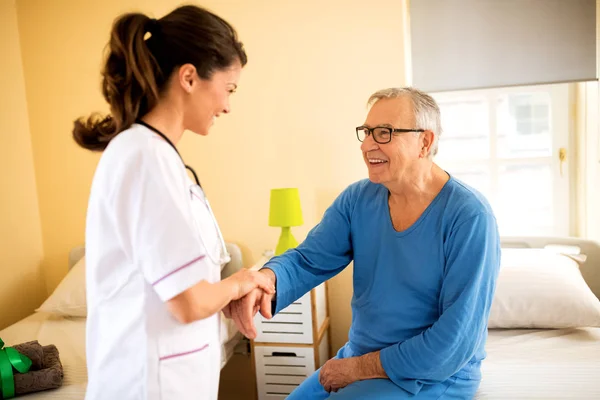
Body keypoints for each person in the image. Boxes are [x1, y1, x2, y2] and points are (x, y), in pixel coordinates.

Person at [230, 87, 501, 399]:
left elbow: (453, 342)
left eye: (384, 133)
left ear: (424, 142)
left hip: (431, 375)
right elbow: (308, 259)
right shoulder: (358, 199)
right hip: (359, 357)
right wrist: (265, 278)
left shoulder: (469, 217)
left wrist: (356, 369)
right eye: (367, 132)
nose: (368, 145)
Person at [73, 6, 274, 400]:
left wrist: (225, 296)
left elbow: (185, 288)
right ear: (188, 77)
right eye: (229, 88)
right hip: (146, 386)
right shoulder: (144, 157)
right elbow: (187, 302)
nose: (228, 106)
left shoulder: (156, 156)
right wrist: (241, 281)